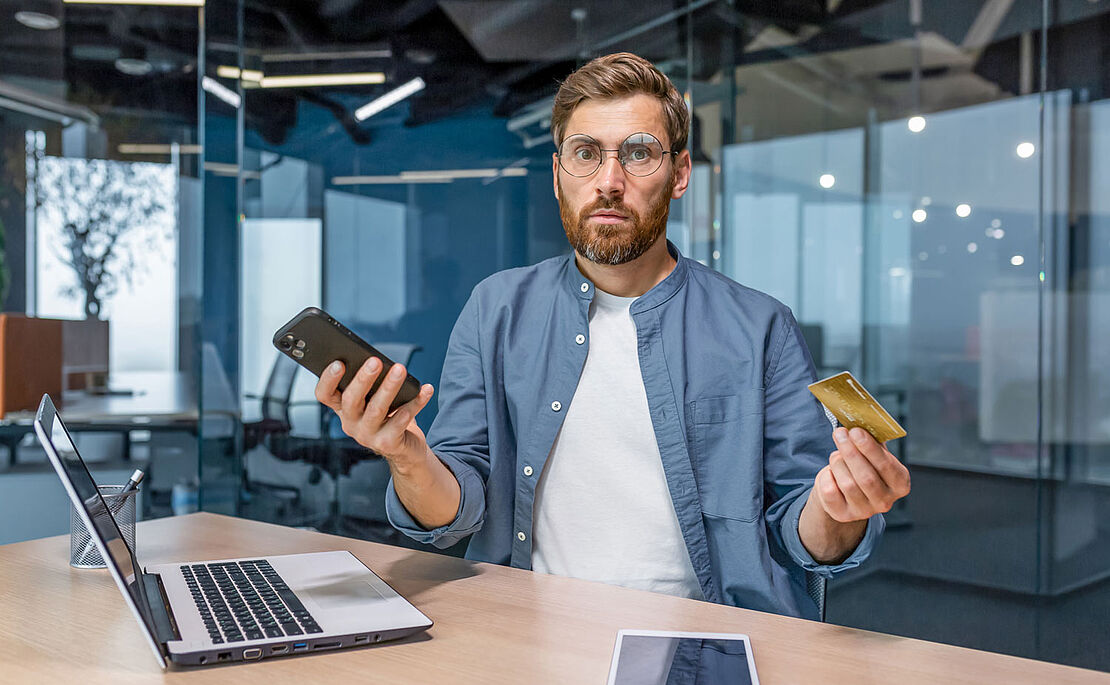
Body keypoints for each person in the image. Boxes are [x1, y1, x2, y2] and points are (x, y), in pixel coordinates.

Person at [314, 52, 910, 619]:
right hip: (529, 628)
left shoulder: (761, 327)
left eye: (639, 153)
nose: (609, 180)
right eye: (585, 154)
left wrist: (841, 510)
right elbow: (456, 508)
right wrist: (406, 456)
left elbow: (801, 529)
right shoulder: (495, 308)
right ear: (557, 175)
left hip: (708, 638)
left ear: (679, 174)